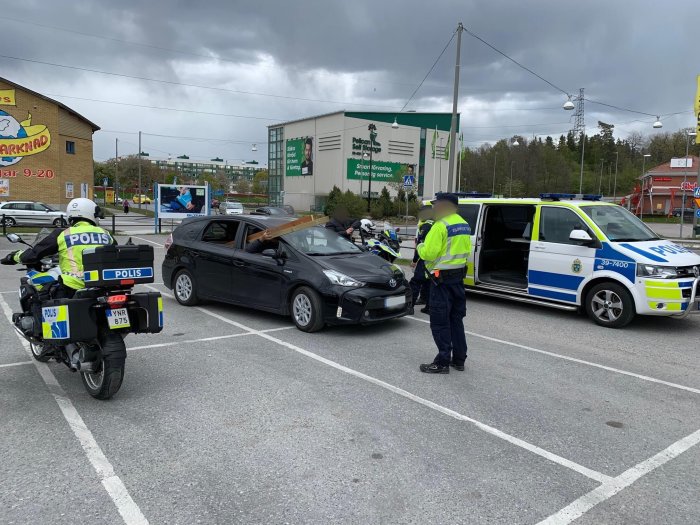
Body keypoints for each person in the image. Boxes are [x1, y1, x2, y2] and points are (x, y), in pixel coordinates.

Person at [2, 198, 115, 299]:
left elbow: (34, 254)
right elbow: (116, 253)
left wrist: (14, 256)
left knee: (31, 285)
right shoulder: (105, 233)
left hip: (73, 285)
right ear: (91, 214)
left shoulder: (63, 234)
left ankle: (38, 321)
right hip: (103, 284)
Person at [416, 193, 471, 374]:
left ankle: (442, 362)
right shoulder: (463, 223)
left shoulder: (440, 226)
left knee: (440, 322)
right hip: (457, 280)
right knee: (456, 320)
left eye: (437, 205)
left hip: (441, 281)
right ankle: (459, 360)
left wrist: (420, 246)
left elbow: (429, 254)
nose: (434, 208)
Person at [409, 205, 434, 314]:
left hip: (425, 259)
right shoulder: (437, 224)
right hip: (435, 260)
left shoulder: (426, 226)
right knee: (428, 283)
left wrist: (414, 261)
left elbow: (420, 245)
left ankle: (410, 307)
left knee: (415, 282)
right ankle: (429, 307)